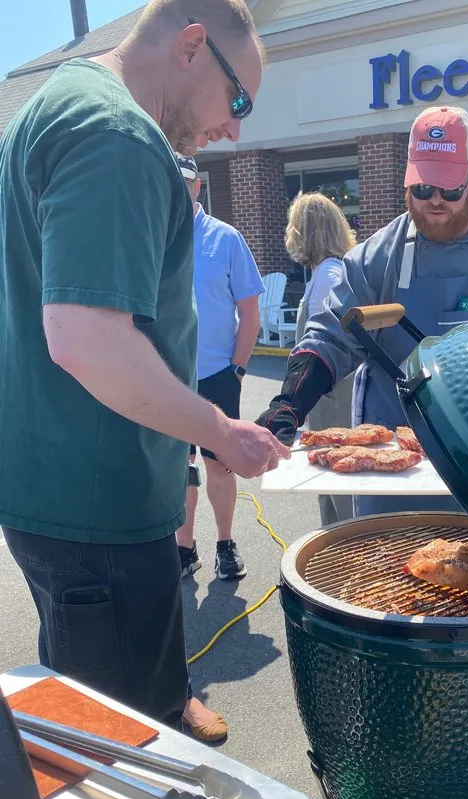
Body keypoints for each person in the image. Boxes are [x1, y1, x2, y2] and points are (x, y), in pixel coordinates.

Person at [0, 0, 289, 730]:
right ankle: (151, 720)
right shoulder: (115, 135)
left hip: (75, 486)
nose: (234, 127)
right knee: (119, 745)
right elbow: (86, 340)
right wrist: (222, 431)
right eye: (238, 98)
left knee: (100, 676)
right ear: (192, 47)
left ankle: (162, 694)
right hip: (98, 502)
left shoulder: (62, 104)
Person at [258, 105, 468, 518]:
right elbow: (330, 337)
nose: (435, 201)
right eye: (423, 189)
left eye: (451, 189)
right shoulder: (375, 259)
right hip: (395, 473)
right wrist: (289, 402)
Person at [175, 153, 264, 582]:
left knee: (219, 465)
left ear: (197, 186)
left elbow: (250, 313)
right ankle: (183, 548)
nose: (176, 187)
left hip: (216, 375)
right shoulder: (152, 237)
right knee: (179, 467)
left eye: (184, 181)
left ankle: (225, 544)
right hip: (170, 375)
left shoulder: (225, 238)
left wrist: (238, 370)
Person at [285, 191, 357, 525]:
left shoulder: (329, 276)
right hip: (328, 399)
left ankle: (346, 561)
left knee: (338, 484)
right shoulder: (330, 272)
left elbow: (335, 342)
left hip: (334, 398)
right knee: (328, 485)